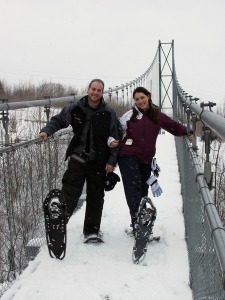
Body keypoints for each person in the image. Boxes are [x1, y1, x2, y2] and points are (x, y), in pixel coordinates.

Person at [38, 79, 122, 242]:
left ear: (102, 93)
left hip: (98, 161)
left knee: (96, 197)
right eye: (93, 89)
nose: (95, 92)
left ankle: (91, 231)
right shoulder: (76, 108)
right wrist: (46, 131)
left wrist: (112, 162)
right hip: (78, 157)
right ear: (88, 89)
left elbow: (116, 138)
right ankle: (59, 227)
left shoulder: (109, 113)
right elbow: (58, 120)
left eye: (99, 90)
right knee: (69, 193)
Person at [117, 86, 193, 233]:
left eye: (142, 98)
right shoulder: (129, 116)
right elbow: (116, 133)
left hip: (145, 159)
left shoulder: (157, 115)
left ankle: (142, 221)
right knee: (134, 187)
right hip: (127, 155)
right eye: (137, 99)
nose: (140, 101)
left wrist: (187, 131)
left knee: (143, 191)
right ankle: (137, 223)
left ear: (148, 97)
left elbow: (173, 126)